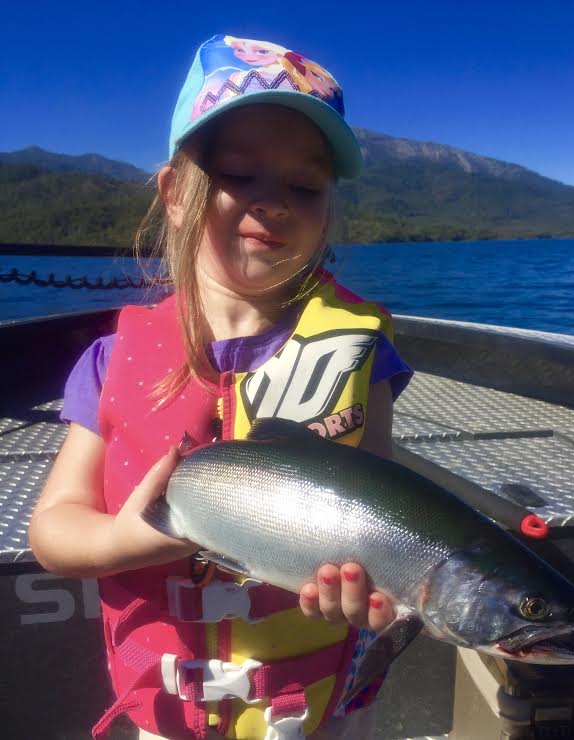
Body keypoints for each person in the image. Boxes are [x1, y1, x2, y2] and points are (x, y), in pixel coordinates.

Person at [28, 34, 413, 740]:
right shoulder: (112, 361)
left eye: (305, 186)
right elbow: (53, 530)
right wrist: (128, 541)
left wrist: (375, 592)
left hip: (313, 707)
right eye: (241, 174)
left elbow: (384, 512)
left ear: (328, 210)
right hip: (169, 711)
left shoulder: (365, 355)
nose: (274, 202)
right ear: (176, 195)